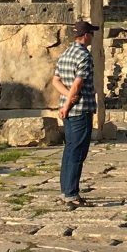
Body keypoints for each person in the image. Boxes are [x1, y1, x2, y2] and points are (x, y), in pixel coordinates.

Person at [52, 20, 99, 210]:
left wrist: (66, 97)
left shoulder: (65, 54)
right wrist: (71, 100)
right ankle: (71, 194)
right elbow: (78, 84)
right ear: (85, 35)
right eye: (92, 34)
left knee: (69, 150)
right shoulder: (84, 56)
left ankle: (65, 191)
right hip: (80, 110)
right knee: (78, 152)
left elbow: (55, 81)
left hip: (68, 108)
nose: (93, 37)